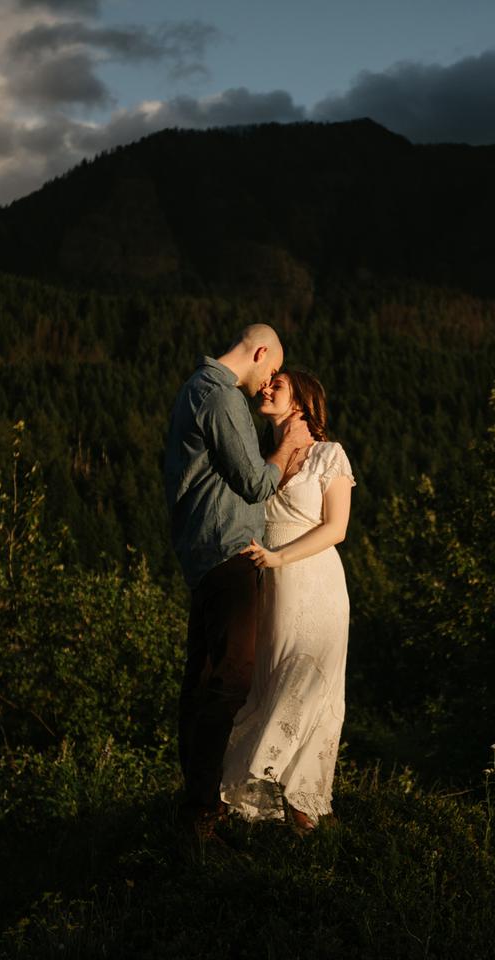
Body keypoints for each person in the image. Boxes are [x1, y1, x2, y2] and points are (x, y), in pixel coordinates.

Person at [164, 324, 311, 841]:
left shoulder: (192, 389)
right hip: (227, 551)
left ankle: (195, 801)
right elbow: (252, 481)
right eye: (270, 371)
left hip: (202, 554)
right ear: (261, 352)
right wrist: (288, 447)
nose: (268, 383)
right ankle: (203, 808)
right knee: (230, 676)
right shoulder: (220, 395)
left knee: (203, 678)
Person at [220, 369, 355, 833]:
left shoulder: (329, 455)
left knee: (304, 683)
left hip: (315, 581)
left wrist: (279, 558)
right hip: (272, 585)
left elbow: (337, 528)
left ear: (301, 403)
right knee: (270, 681)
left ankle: (302, 813)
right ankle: (270, 818)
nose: (266, 388)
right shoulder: (263, 460)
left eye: (278, 386)